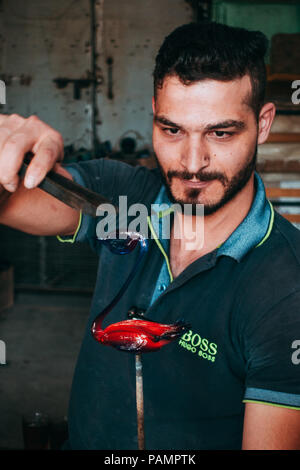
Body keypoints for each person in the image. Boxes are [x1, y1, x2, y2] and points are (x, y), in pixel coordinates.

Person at [0, 21, 300, 450]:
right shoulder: (123, 201)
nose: (193, 163)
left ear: (264, 123)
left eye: (221, 132)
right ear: (154, 114)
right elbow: (14, 200)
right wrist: (7, 151)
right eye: (172, 129)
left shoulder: (287, 290)